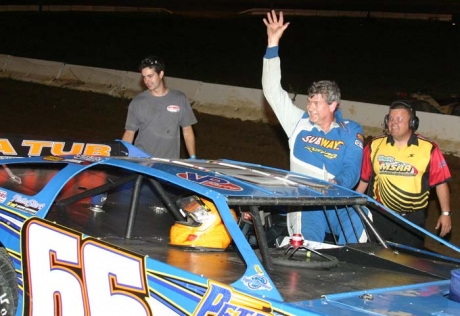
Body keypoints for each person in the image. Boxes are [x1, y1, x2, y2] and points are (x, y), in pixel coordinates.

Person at [262, 10, 366, 244]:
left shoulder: (351, 129)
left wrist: (336, 184)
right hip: (305, 202)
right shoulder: (297, 123)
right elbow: (272, 91)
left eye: (316, 103)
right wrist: (272, 43)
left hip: (337, 198)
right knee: (305, 247)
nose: (310, 107)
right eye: (309, 101)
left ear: (332, 105)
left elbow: (352, 168)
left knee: (362, 224)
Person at [356, 100, 452, 248]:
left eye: (400, 119)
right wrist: (352, 205)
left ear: (413, 123)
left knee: (409, 260)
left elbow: (441, 182)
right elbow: (364, 179)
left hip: (411, 219)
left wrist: (445, 214)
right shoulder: (374, 145)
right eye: (391, 119)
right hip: (379, 216)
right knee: (376, 258)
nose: (394, 123)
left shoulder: (428, 149)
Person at [122, 55, 197, 159]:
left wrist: (192, 156)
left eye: (150, 76)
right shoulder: (138, 102)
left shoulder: (179, 98)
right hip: (142, 161)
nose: (146, 80)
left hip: (169, 162)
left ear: (161, 74)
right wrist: (122, 157)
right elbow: (129, 133)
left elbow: (187, 131)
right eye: (144, 77)